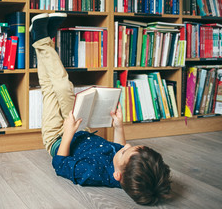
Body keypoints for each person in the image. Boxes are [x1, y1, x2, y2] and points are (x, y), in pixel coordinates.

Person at [30, 13, 172, 205]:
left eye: (125, 152)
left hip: (57, 136)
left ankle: (42, 38)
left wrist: (67, 134)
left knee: (51, 88)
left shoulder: (90, 173)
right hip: (79, 127)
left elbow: (59, 164)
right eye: (132, 146)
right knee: (62, 86)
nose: (126, 146)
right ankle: (41, 38)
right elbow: (119, 147)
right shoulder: (122, 164)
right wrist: (118, 126)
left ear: (117, 176)